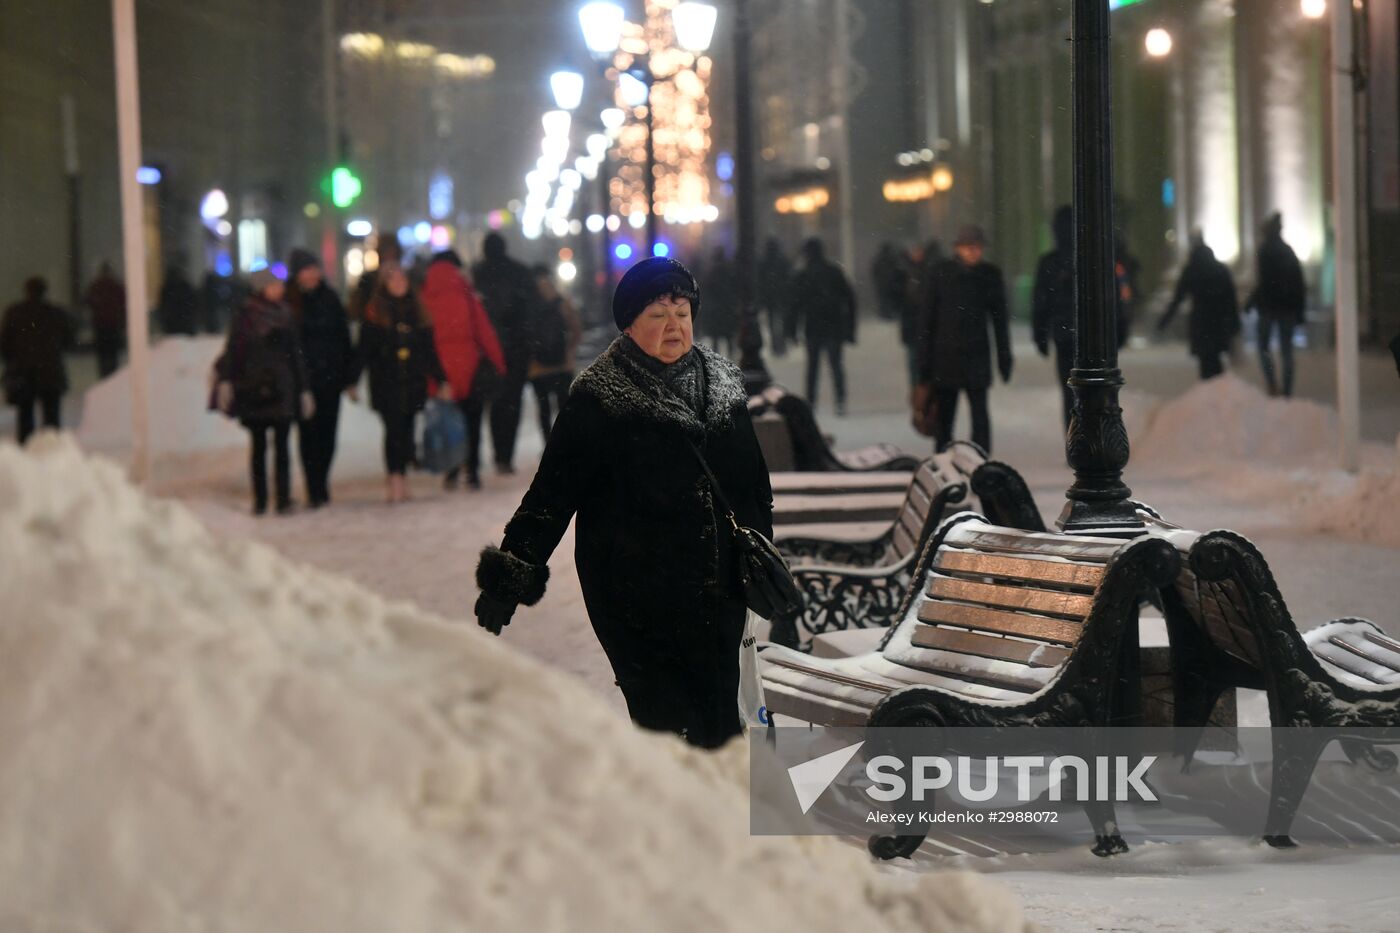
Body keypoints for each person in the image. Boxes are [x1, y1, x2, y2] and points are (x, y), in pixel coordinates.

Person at [473, 257, 773, 749]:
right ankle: (668, 821)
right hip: (636, 596)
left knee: (724, 726)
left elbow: (753, 485)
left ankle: (718, 822)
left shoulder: (723, 384)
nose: (674, 326)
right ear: (631, 325)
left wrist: (758, 559)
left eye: (682, 313)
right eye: (658, 315)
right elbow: (551, 494)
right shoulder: (599, 398)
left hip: (720, 592)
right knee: (667, 728)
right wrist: (511, 576)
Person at [214, 269, 313, 516]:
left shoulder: (286, 314)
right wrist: (227, 380)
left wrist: (304, 388)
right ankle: (260, 500)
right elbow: (234, 350)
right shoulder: (245, 317)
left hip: (282, 388)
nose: (279, 289)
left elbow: (296, 354)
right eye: (274, 285)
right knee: (258, 447)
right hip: (254, 388)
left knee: (282, 447)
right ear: (262, 288)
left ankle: (282, 499)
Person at [912, 224, 1012, 454]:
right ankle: (943, 459)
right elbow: (927, 321)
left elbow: (999, 321)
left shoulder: (989, 275)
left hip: (975, 356)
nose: (973, 252)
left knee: (980, 417)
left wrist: (1004, 357)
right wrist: (923, 365)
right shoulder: (941, 273)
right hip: (946, 358)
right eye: (968, 247)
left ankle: (980, 460)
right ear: (958, 248)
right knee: (944, 418)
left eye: (977, 248)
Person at [357, 264, 445, 504]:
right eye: (392, 279)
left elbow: (428, 350)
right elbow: (364, 350)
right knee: (393, 431)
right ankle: (394, 478)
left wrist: (440, 377)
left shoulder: (417, 310)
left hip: (412, 382)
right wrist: (352, 379)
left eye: (401, 279)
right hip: (386, 382)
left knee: (406, 431)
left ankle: (402, 476)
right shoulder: (375, 313)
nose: (397, 283)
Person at [420, 250, 506, 491]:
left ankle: (451, 469)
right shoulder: (465, 293)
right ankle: (473, 470)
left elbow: (421, 334)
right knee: (473, 420)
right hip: (468, 365)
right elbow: (483, 331)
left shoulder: (425, 294)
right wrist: (497, 361)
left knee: (448, 420)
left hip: (439, 368)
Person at [287, 248, 356, 508]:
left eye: (314, 268)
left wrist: (348, 375)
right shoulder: (291, 302)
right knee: (308, 436)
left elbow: (344, 338)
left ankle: (322, 481)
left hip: (330, 378)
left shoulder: (330, 298)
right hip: (303, 382)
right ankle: (313, 487)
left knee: (328, 435)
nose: (312, 274)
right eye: (307, 269)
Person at [472, 233, 536, 475]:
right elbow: (530, 311)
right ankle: (504, 455)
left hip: (488, 349)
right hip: (517, 349)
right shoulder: (520, 272)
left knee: (493, 401)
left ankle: (495, 451)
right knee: (512, 403)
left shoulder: (478, 274)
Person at [788, 238, 857, 416]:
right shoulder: (834, 272)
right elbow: (849, 300)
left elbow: (794, 305)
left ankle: (811, 402)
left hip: (813, 327)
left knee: (813, 368)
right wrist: (850, 328)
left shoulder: (803, 275)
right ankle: (840, 401)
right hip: (834, 326)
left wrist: (792, 330)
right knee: (836, 366)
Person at [1, 277, 74, 443]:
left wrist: (13, 361)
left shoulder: (14, 312)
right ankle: (53, 450)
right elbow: (69, 340)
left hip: (23, 372)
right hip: (50, 371)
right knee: (52, 417)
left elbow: (4, 343)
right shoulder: (55, 313)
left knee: (25, 416)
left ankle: (26, 451)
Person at [1158, 235, 1240, 381]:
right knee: (1216, 359)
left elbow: (1178, 298)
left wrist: (1164, 320)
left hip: (1201, 323)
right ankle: (1219, 389)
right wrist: (1235, 323)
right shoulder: (1221, 269)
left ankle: (1209, 390)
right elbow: (1231, 300)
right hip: (1219, 322)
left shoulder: (1192, 270)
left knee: (1205, 362)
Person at [1246, 212, 1307, 397]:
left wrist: (1250, 302)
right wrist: (1300, 310)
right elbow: (1298, 283)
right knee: (1287, 350)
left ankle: (1272, 384)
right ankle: (1287, 390)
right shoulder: (1288, 252)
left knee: (1264, 347)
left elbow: (1264, 283)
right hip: (1287, 308)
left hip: (1268, 307)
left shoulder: (1264, 251)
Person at [1032, 206, 1077, 428]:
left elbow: (1041, 302)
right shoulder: (1089, 258)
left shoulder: (1050, 262)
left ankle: (1073, 438)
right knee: (1094, 390)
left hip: (1063, 332)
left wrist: (1040, 335)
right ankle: (1090, 438)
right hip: (1088, 335)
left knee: (1069, 390)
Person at [527, 263, 582, 438]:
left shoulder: (529, 305)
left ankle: (548, 445)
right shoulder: (562, 302)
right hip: (562, 365)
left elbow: (524, 336)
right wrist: (569, 350)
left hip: (538, 368)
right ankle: (565, 442)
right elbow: (577, 330)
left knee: (543, 409)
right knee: (564, 408)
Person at [903, 238, 943, 387]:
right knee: (914, 361)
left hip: (925, 325)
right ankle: (917, 390)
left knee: (925, 360)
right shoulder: (906, 271)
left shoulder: (929, 271)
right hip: (913, 325)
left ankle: (925, 388)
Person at [85, 262, 127, 378]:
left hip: (100, 324)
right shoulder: (116, 286)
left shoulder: (96, 286)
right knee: (113, 352)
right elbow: (123, 304)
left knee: (103, 352)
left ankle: (104, 374)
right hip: (113, 324)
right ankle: (112, 374)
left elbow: (88, 301)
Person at [756, 238, 792, 356]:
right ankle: (781, 345)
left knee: (772, 322)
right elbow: (788, 278)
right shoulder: (782, 261)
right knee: (781, 321)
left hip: (770, 297)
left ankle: (775, 346)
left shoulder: (764, 262)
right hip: (781, 296)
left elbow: (760, 281)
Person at [156, 261, 199, 335]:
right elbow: (193, 303)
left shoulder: (167, 288)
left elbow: (163, 305)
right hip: (184, 323)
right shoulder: (185, 286)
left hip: (172, 324)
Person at [871, 242, 910, 322]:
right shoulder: (891, 259)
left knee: (883, 300)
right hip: (889, 284)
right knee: (889, 300)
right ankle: (888, 314)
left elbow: (874, 271)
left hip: (882, 284)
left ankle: (885, 314)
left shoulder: (879, 259)